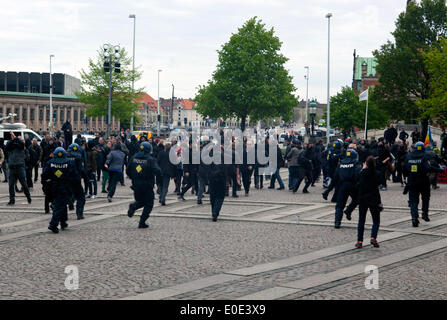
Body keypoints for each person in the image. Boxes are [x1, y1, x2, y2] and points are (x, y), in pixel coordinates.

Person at [403, 142, 444, 227]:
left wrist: (408, 175)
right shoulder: (424, 156)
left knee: (413, 201)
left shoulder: (408, 156)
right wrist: (439, 170)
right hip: (423, 181)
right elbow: (428, 167)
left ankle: (414, 218)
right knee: (425, 198)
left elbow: (404, 169)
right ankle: (425, 214)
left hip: (412, 181)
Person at [126, 142, 162, 228]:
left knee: (141, 200)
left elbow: (127, 170)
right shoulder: (150, 159)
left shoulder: (133, 157)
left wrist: (134, 178)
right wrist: (158, 180)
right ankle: (142, 222)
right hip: (147, 184)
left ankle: (134, 206)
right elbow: (158, 171)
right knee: (149, 203)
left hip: (136, 184)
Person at [43, 147, 76, 233]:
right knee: (59, 205)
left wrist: (46, 185)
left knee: (62, 204)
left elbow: (44, 175)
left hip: (53, 186)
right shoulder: (69, 162)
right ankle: (53, 224)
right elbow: (73, 174)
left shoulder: (50, 162)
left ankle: (63, 222)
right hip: (64, 186)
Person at [327, 149, 361, 229]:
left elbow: (335, 177)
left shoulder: (341, 164)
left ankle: (337, 222)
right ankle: (348, 210)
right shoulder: (356, 163)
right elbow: (357, 175)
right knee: (357, 199)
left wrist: (328, 189)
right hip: (353, 185)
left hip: (342, 185)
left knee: (339, 205)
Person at [355, 156, 384, 248]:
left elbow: (357, 180)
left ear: (366, 164)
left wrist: (363, 169)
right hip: (374, 198)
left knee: (361, 220)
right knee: (376, 220)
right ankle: (373, 237)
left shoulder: (363, 173)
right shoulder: (377, 173)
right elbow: (381, 181)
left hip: (363, 198)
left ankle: (359, 241)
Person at [6, 133, 32, 205]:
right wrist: (12, 139)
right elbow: (7, 145)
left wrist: (15, 137)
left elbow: (22, 144)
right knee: (11, 185)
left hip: (19, 167)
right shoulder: (10, 146)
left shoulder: (21, 146)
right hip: (12, 168)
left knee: (24, 184)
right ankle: (12, 200)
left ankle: (28, 197)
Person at [66, 143, 86, 220]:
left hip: (67, 180)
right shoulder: (78, 156)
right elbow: (81, 168)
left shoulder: (66, 156)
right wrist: (85, 176)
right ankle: (79, 214)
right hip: (76, 179)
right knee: (81, 197)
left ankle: (58, 206)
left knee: (67, 194)